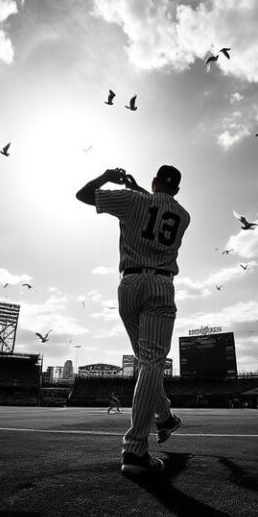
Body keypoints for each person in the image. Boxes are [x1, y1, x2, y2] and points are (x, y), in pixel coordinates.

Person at [77, 165, 190, 475]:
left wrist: (105, 176)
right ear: (177, 190)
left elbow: (82, 195)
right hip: (160, 285)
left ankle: (164, 417)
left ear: (153, 182)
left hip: (128, 285)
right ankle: (135, 450)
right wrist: (141, 189)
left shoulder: (133, 200)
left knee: (146, 360)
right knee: (152, 361)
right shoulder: (184, 214)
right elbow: (158, 205)